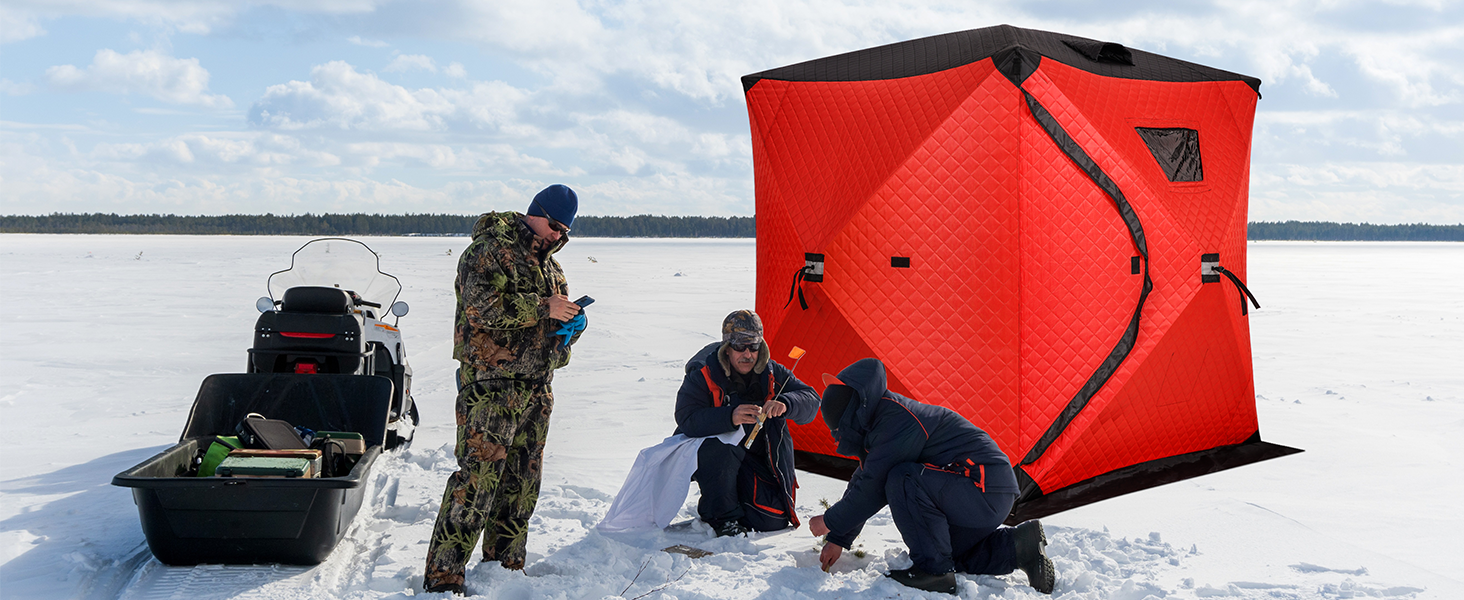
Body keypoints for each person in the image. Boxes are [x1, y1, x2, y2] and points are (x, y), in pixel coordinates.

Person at [423, 184, 588, 595]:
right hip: (492, 388)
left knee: (521, 485)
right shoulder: (489, 250)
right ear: (535, 213)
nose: (557, 236)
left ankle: (505, 572)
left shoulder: (550, 266)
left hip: (537, 386)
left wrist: (570, 327)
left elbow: (547, 324)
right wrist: (542, 307)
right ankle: (444, 578)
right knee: (477, 482)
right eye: (553, 226)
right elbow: (482, 308)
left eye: (565, 231)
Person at [808, 358, 1057, 595]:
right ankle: (1021, 545)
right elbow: (865, 477)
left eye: (840, 430)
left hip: (982, 486)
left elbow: (873, 487)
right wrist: (839, 536)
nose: (838, 437)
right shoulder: (882, 421)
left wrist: (830, 520)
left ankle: (933, 572)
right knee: (943, 551)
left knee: (901, 479)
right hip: (981, 492)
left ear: (854, 416)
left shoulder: (896, 421)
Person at [674, 310, 820, 536]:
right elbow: (686, 418)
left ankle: (728, 502)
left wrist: (786, 402)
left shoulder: (772, 372)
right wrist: (729, 417)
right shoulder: (703, 374)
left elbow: (811, 399)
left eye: (754, 346)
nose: (748, 354)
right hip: (714, 456)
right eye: (740, 346)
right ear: (727, 347)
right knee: (723, 446)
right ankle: (721, 516)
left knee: (771, 520)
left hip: (755, 456)